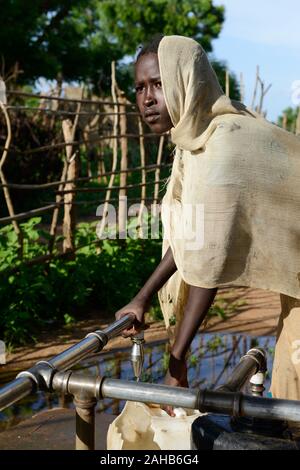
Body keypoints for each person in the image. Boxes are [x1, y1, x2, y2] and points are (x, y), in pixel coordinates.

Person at [116, 34, 300, 413]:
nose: (148, 98)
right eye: (139, 87)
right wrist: (142, 296)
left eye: (159, 84)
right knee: (288, 382)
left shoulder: (225, 143)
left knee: (293, 383)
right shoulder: (196, 142)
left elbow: (207, 261)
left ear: (187, 80)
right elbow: (194, 233)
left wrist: (176, 362)